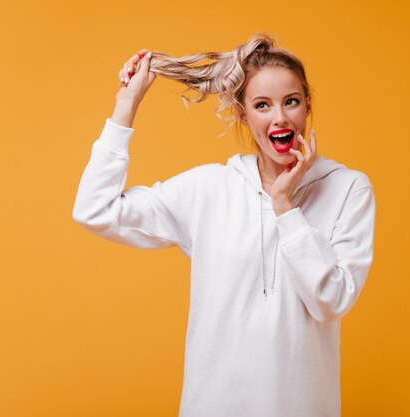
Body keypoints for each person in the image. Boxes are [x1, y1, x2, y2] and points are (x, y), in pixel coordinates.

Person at [72, 33, 375, 417]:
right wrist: (126, 104)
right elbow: (94, 210)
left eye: (291, 102)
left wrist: (284, 205)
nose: (279, 117)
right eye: (262, 105)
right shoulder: (209, 189)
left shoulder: (348, 189)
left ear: (307, 105)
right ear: (244, 114)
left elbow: (330, 301)